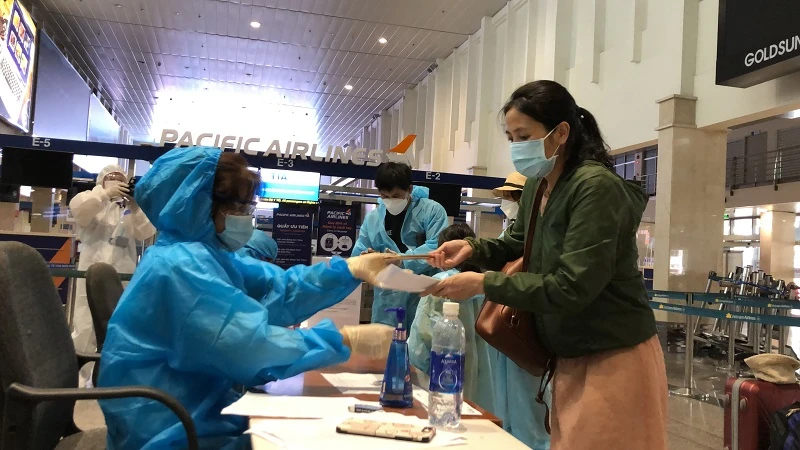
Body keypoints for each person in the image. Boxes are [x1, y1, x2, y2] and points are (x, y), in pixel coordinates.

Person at [98, 147, 395, 450]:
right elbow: (249, 348)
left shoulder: (210, 255)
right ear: (199, 206)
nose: (245, 218)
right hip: (169, 427)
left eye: (247, 207)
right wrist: (343, 340)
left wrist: (349, 269)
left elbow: (277, 289)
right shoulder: (178, 267)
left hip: (198, 406)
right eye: (237, 208)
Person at [424, 80, 667, 450]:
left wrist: (483, 283)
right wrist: (470, 249)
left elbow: (572, 286)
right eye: (511, 138)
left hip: (613, 353)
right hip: (569, 351)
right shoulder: (539, 186)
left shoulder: (595, 188)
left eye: (524, 136)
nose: (517, 147)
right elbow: (515, 243)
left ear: (561, 133)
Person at [68, 164, 156, 387]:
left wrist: (136, 207)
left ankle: (110, 378)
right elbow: (80, 211)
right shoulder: (89, 198)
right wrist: (105, 195)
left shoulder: (128, 208)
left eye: (120, 179)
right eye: (111, 178)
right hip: (88, 273)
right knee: (84, 326)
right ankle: (79, 377)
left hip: (122, 277)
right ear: (102, 180)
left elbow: (145, 232)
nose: (117, 182)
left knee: (119, 326)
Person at [488, 172, 552, 450]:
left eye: (512, 197)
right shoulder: (514, 232)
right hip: (508, 321)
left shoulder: (540, 235)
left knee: (529, 397)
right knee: (508, 393)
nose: (508, 202)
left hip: (525, 322)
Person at [408, 223, 495, 412]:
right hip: (488, 392)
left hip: (446, 386)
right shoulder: (489, 285)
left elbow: (419, 345)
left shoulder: (441, 286)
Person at [352, 162, 448, 328]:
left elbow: (437, 246)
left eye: (396, 196)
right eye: (384, 196)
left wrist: (402, 260)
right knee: (385, 340)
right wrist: (367, 258)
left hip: (423, 295)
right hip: (387, 299)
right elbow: (359, 252)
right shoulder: (373, 218)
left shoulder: (432, 211)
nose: (390, 201)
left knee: (421, 338)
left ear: (409, 189)